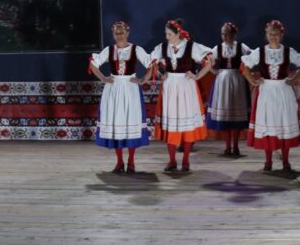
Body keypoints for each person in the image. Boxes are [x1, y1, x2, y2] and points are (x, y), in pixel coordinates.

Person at [241, 20, 300, 172]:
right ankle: (268, 161)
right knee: (268, 124)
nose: (273, 37)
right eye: (270, 34)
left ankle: (285, 161)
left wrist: (294, 79)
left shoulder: (288, 51)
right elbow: (244, 67)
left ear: (281, 35)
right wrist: (253, 81)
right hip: (266, 91)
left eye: (276, 34)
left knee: (283, 124)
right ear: (266, 35)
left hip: (284, 90)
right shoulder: (260, 51)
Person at [89, 21, 152, 173]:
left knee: (130, 122)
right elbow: (93, 64)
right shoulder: (109, 50)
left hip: (130, 89)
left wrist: (143, 80)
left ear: (127, 33)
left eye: (122, 32)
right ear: (113, 34)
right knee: (116, 123)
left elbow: (152, 64)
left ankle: (131, 162)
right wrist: (103, 78)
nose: (119, 36)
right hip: (114, 89)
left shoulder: (136, 49)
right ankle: (119, 162)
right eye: (116, 33)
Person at [150, 19, 212, 172]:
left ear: (178, 33)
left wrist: (197, 76)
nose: (167, 37)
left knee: (187, 124)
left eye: (169, 34)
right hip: (170, 87)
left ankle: (185, 161)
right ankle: (172, 161)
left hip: (186, 87)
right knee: (170, 124)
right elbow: (151, 61)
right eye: (166, 34)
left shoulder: (191, 46)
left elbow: (209, 61)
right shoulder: (163, 47)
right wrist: (160, 74)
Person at [205, 22, 253, 157]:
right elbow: (207, 60)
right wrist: (214, 71)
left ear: (234, 34)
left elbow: (253, 58)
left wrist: (246, 71)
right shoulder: (218, 48)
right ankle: (227, 147)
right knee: (226, 115)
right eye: (223, 34)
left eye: (227, 34)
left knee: (236, 115)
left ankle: (236, 146)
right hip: (222, 81)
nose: (225, 36)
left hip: (238, 80)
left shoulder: (241, 47)